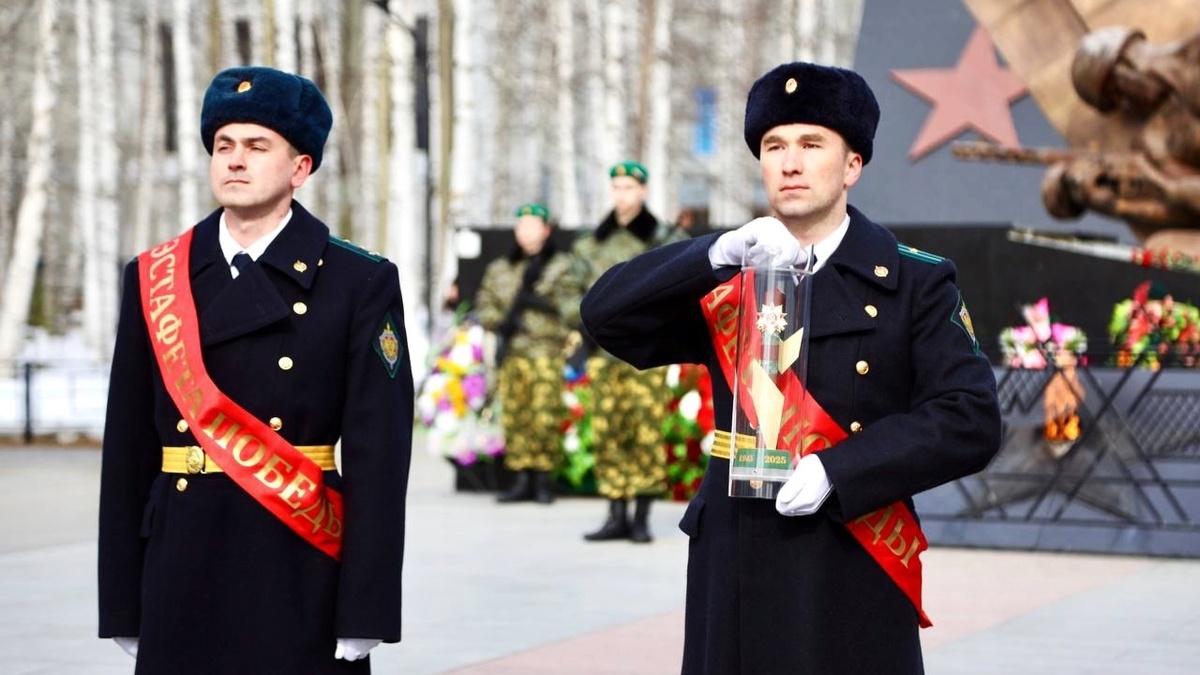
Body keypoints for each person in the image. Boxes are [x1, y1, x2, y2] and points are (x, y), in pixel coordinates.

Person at [580, 62, 1001, 673]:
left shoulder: (913, 280)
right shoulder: (732, 275)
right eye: (774, 146)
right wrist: (713, 252)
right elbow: (605, 316)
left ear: (853, 164)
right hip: (735, 562)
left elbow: (969, 418)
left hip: (846, 559)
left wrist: (839, 468)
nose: (790, 162)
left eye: (811, 144)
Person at [97, 66, 413, 673]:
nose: (235, 161)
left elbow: (380, 455)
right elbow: (127, 447)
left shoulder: (359, 281)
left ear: (300, 168)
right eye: (224, 146)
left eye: (257, 145)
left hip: (298, 563)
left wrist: (367, 610)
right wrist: (122, 603)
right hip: (179, 564)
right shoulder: (154, 276)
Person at [564, 161, 685, 543]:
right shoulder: (591, 243)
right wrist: (591, 317)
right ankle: (616, 513)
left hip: (646, 354)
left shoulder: (664, 238)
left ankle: (642, 517)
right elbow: (570, 292)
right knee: (608, 431)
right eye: (616, 187)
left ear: (643, 191)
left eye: (629, 187)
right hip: (602, 352)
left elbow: (681, 287)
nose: (622, 194)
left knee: (645, 432)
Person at [475, 203, 572, 503]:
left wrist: (538, 308)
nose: (526, 232)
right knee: (516, 416)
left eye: (532, 226)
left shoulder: (561, 266)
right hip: (514, 351)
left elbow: (571, 309)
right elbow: (485, 305)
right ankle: (520, 478)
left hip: (545, 351)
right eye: (521, 226)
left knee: (544, 415)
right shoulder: (500, 268)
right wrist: (503, 319)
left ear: (546, 230)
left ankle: (543, 480)